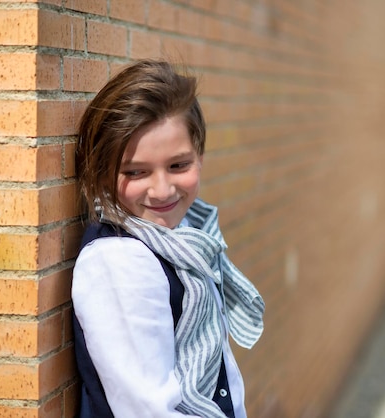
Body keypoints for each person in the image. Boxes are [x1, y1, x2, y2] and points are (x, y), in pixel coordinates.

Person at [72, 59, 264, 418]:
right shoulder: (120, 263)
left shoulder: (188, 240)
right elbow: (146, 409)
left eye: (179, 165)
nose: (162, 190)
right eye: (136, 172)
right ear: (101, 175)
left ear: (200, 157)